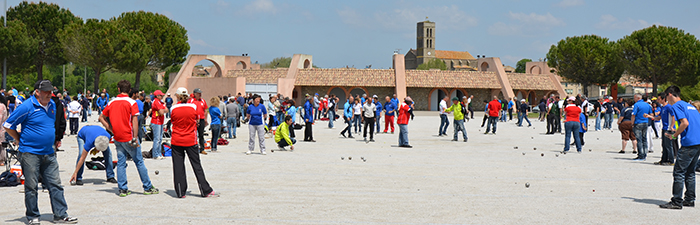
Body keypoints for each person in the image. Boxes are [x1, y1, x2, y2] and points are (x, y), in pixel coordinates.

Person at [4, 80, 78, 224]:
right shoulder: (26, 106)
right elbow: (7, 125)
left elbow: (51, 125)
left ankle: (60, 215)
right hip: (30, 153)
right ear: (37, 92)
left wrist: (55, 139)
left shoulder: (52, 105)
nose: (50, 94)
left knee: (55, 184)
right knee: (31, 186)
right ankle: (33, 216)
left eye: (51, 91)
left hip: (49, 152)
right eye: (46, 91)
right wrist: (18, 139)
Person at [100, 80, 159, 197]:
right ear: (130, 90)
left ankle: (122, 189)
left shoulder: (112, 102)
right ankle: (147, 186)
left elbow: (101, 117)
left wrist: (111, 129)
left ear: (118, 89)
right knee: (139, 162)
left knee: (121, 162)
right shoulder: (132, 102)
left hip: (117, 137)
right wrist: (135, 137)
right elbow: (134, 121)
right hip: (129, 136)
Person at [169, 87, 219, 198]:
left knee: (178, 166)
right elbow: (197, 120)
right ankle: (205, 190)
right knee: (197, 165)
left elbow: (173, 121)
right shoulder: (193, 107)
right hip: (190, 139)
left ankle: (180, 191)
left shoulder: (173, 108)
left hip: (177, 139)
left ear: (177, 96)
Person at [659, 85, 700, 209]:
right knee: (690, 172)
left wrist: (675, 135)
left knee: (679, 172)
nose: (667, 99)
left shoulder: (676, 106)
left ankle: (676, 201)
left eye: (666, 96)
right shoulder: (691, 106)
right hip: (698, 141)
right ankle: (690, 199)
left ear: (670, 94)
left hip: (689, 143)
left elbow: (685, 123)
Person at [647, 95, 677, 165]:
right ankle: (664, 160)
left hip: (668, 129)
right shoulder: (663, 107)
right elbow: (659, 117)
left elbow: (673, 116)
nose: (658, 100)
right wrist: (649, 116)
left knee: (669, 145)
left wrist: (672, 126)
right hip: (664, 128)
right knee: (664, 145)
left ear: (664, 99)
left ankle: (671, 161)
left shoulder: (669, 107)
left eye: (659, 99)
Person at [631, 94, 652, 161]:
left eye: (635, 98)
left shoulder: (637, 105)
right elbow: (651, 114)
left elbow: (633, 114)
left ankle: (641, 155)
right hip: (645, 122)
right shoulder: (648, 105)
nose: (634, 99)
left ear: (638, 98)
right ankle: (645, 154)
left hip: (638, 122)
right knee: (644, 139)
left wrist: (632, 123)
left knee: (639, 139)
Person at [188, 88, 209, 155]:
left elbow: (205, 110)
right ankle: (192, 148)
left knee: (201, 134)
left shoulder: (203, 101)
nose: (200, 95)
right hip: (193, 119)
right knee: (192, 134)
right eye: (198, 93)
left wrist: (206, 119)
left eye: (200, 93)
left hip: (201, 119)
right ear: (194, 94)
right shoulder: (191, 101)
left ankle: (202, 148)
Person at [150, 90, 168, 159]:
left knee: (160, 138)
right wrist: (163, 110)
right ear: (157, 96)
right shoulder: (156, 101)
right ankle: (155, 154)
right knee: (157, 139)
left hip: (160, 122)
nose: (162, 96)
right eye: (161, 95)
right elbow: (161, 112)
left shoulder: (161, 102)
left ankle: (159, 153)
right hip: (156, 122)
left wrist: (163, 110)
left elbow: (166, 110)